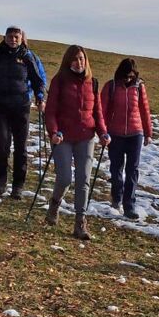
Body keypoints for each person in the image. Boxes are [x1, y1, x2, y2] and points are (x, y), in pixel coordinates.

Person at [43, 45, 109, 239]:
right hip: (62, 136)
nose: (78, 62)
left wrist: (103, 133)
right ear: (67, 61)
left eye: (81, 59)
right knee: (64, 178)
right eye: (74, 59)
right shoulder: (59, 81)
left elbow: (97, 112)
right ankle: (54, 204)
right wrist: (53, 132)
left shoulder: (93, 83)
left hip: (86, 137)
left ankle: (80, 222)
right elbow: (51, 111)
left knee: (83, 180)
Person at [0, 26, 45, 198]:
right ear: (5, 37)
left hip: (21, 107)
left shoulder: (27, 57)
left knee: (21, 147)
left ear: (21, 39)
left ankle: (18, 185)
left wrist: (40, 96)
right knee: (1, 145)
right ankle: (1, 179)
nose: (13, 39)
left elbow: (38, 80)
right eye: (10, 36)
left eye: (16, 37)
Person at [100, 58, 152, 220]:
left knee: (132, 170)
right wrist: (103, 132)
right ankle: (116, 197)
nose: (128, 79)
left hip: (135, 134)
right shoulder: (111, 86)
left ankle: (129, 204)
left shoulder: (139, 87)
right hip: (115, 134)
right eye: (125, 76)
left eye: (131, 76)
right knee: (116, 170)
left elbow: (145, 110)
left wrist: (148, 133)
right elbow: (103, 110)